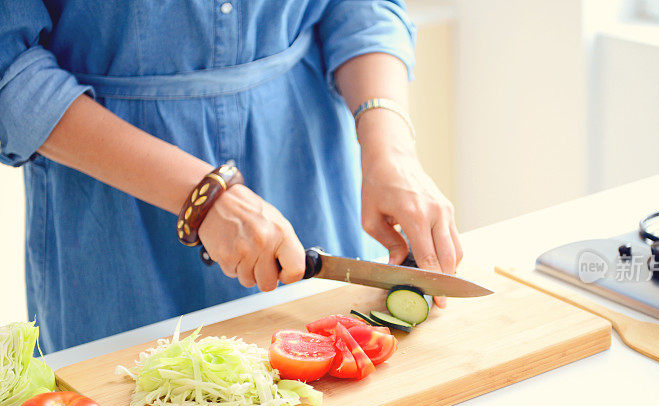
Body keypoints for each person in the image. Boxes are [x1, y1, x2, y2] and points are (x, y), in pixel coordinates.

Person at [0, 0, 462, 353]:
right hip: (114, 227)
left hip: (306, 167)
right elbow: (10, 72)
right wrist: (202, 196)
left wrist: (389, 147)